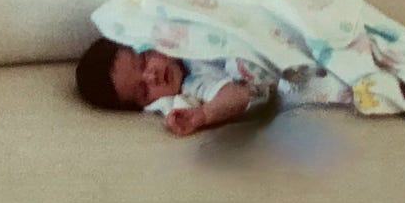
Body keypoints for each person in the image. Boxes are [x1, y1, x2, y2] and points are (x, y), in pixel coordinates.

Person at [75, 37, 348, 136]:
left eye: (144, 60)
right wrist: (203, 115)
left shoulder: (177, 37)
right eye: (142, 91)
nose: (152, 77)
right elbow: (235, 95)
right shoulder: (195, 84)